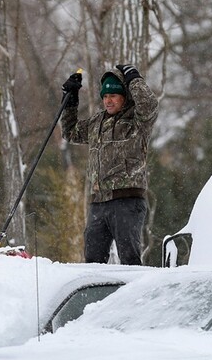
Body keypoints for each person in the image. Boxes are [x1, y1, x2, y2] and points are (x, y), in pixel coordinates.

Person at [60, 63, 159, 265]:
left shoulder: (137, 121)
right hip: (98, 202)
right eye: (105, 96)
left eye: (113, 96)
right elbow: (70, 133)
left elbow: (149, 105)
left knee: (130, 259)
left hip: (127, 201)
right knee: (93, 261)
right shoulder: (97, 122)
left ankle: (133, 296)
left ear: (124, 96)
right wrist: (70, 100)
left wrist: (134, 79)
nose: (108, 100)